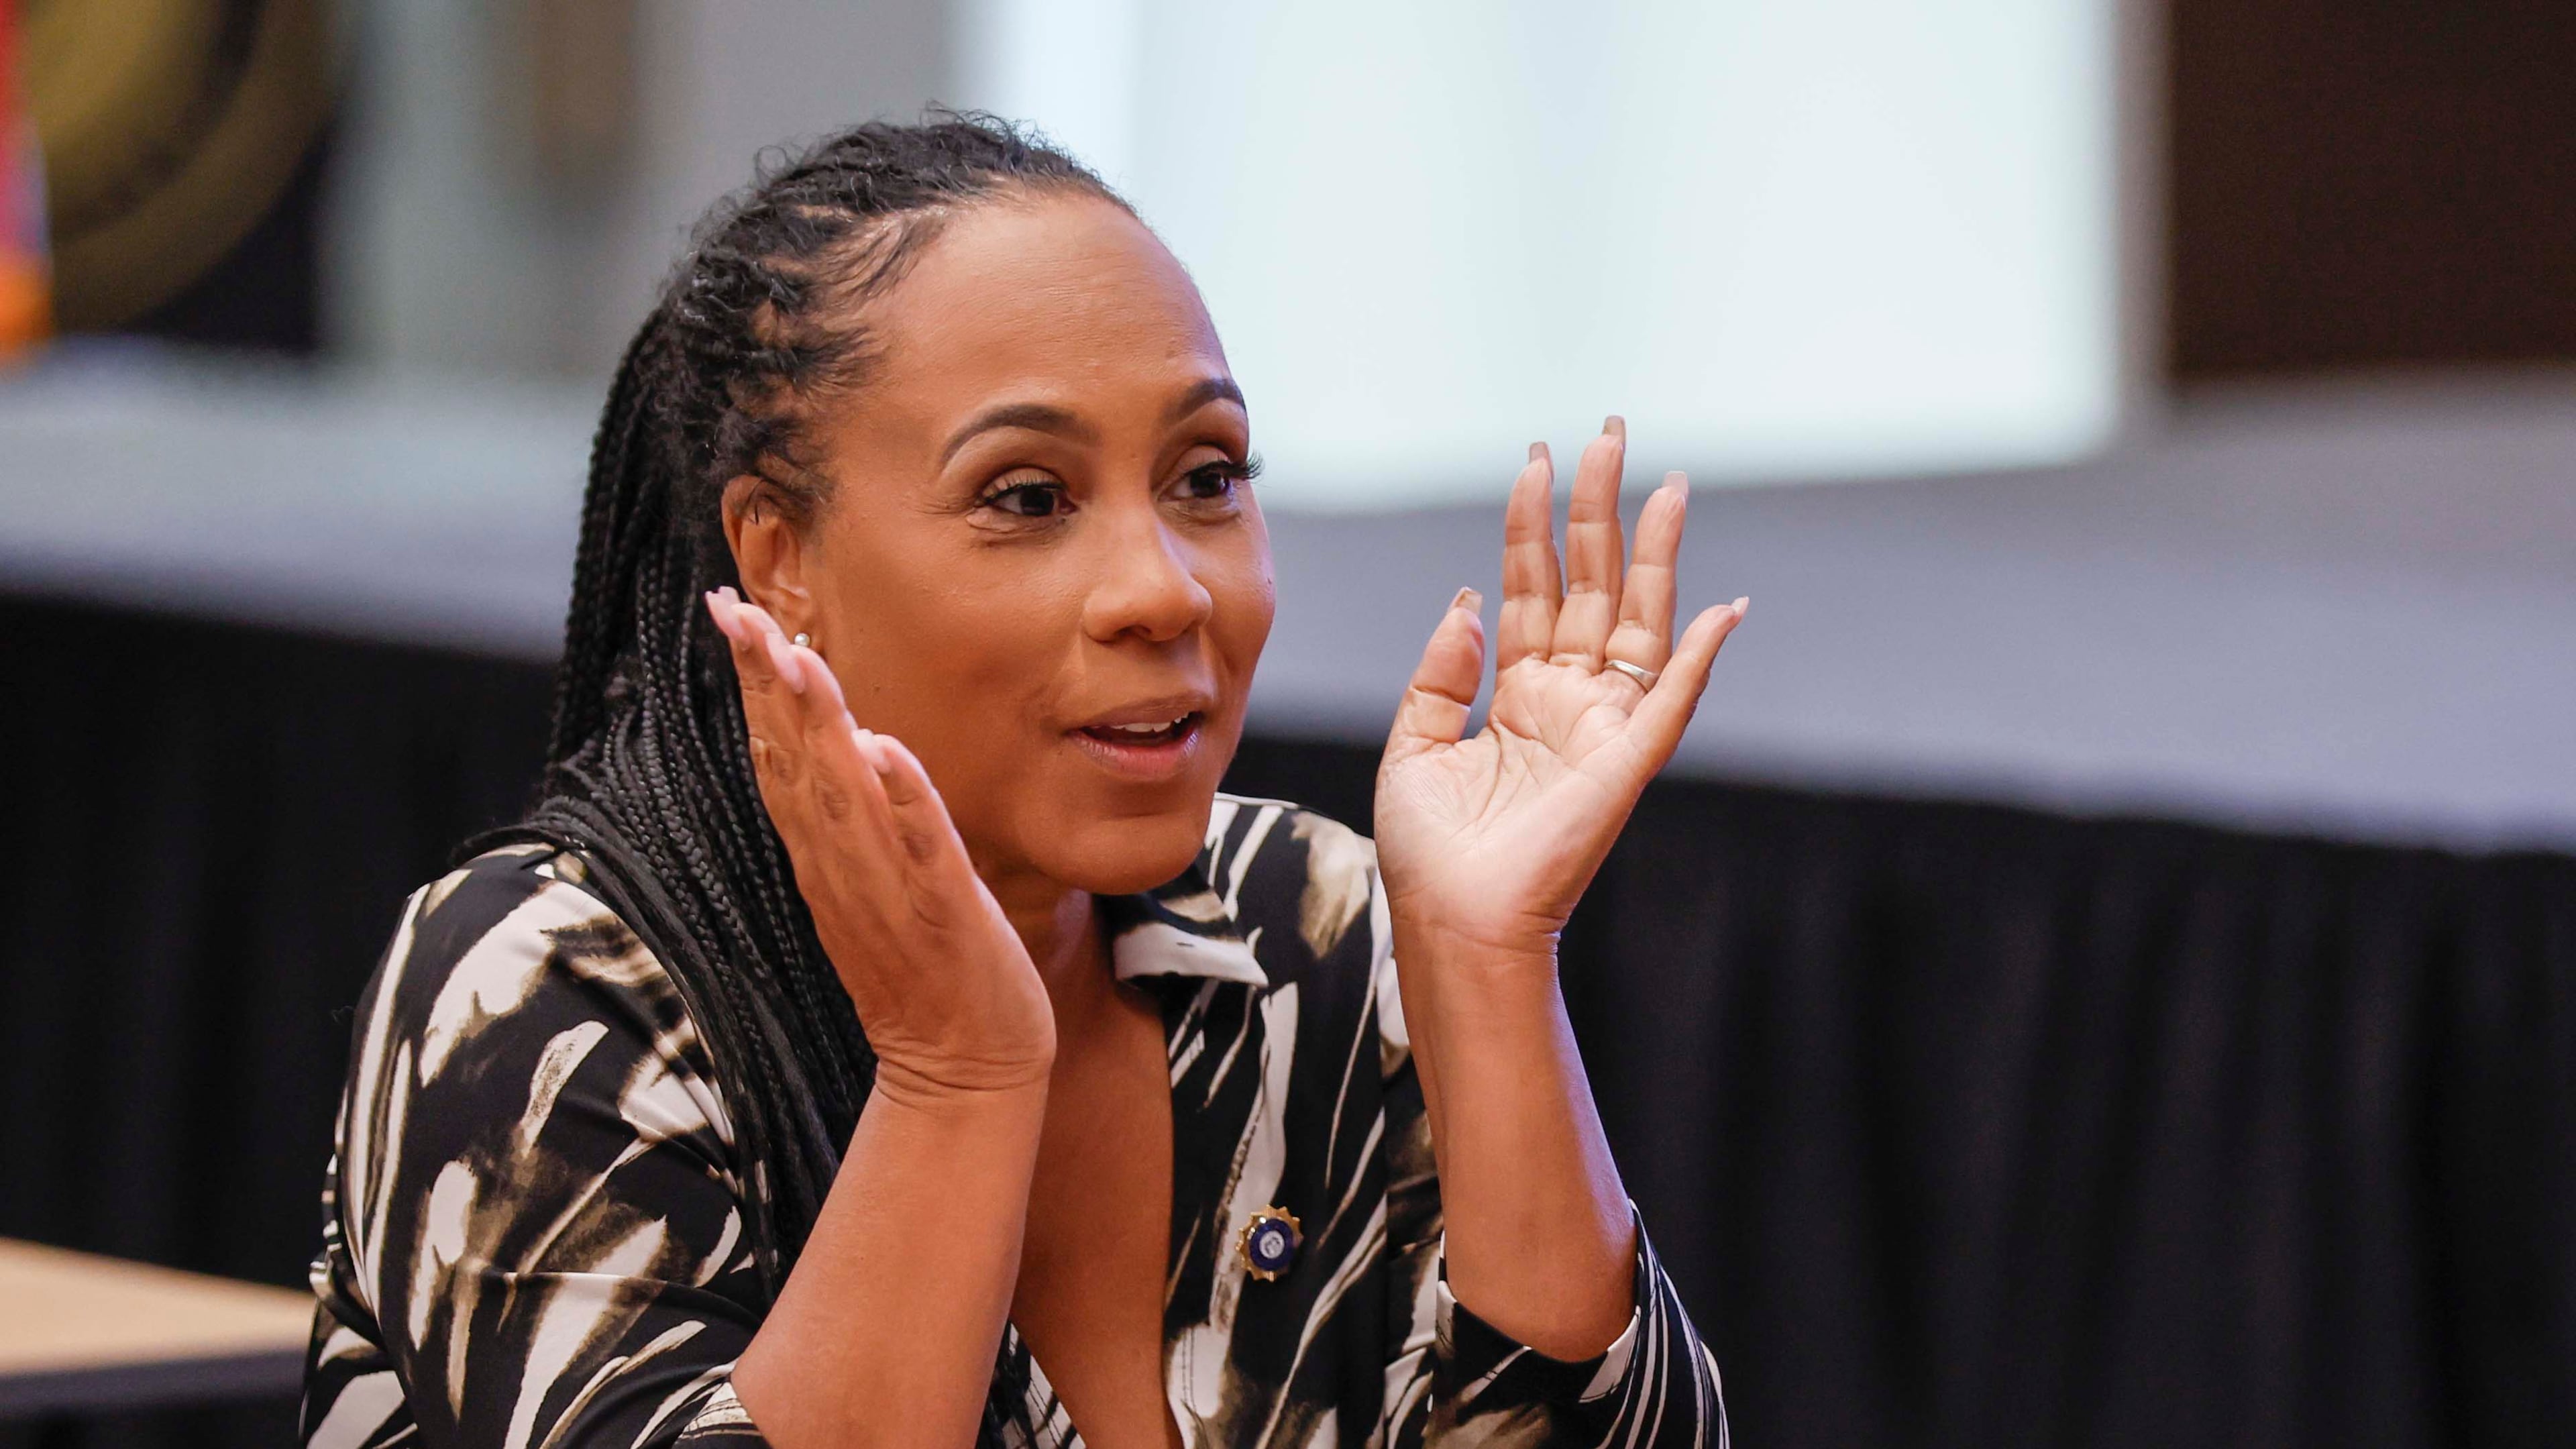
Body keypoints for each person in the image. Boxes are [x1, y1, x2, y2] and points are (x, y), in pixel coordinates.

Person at [300, 114, 1746, 1449]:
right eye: (1028, 498)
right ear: (779, 559)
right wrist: (956, 1078)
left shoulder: (1312, 928)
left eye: (1207, 475)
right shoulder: (548, 987)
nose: (1163, 590)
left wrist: (1490, 969)